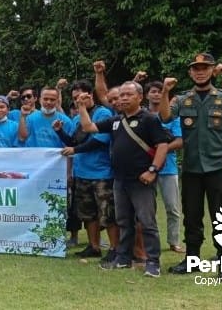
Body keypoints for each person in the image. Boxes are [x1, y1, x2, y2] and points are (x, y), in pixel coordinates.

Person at [160, 53, 222, 277]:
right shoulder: (182, 99)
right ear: (190, 72)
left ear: (212, 69)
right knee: (192, 216)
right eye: (195, 68)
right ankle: (192, 260)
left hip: (218, 167)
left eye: (204, 67)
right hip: (191, 168)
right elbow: (166, 117)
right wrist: (165, 91)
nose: (200, 71)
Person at [76, 81, 169, 278]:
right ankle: (123, 258)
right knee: (123, 221)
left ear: (139, 97)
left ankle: (153, 262)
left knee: (147, 222)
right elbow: (89, 127)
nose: (123, 98)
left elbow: (162, 146)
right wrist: (82, 107)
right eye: (121, 96)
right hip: (119, 180)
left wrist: (153, 170)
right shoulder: (115, 120)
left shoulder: (149, 119)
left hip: (142, 180)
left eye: (128, 95)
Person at [56, 80, 118, 261]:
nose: (77, 101)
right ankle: (94, 246)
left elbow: (100, 140)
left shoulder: (103, 113)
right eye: (75, 98)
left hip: (102, 172)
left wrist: (75, 151)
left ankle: (115, 248)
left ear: (90, 94)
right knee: (88, 214)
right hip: (81, 172)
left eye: (81, 97)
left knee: (107, 214)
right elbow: (73, 142)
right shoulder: (76, 118)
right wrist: (60, 132)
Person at [145, 81, 185, 254]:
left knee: (173, 207)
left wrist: (160, 149)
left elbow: (179, 141)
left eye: (160, 92)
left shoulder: (173, 117)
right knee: (146, 208)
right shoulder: (141, 116)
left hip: (168, 168)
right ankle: (149, 243)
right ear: (146, 95)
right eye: (153, 91)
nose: (157, 95)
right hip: (145, 168)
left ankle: (174, 241)